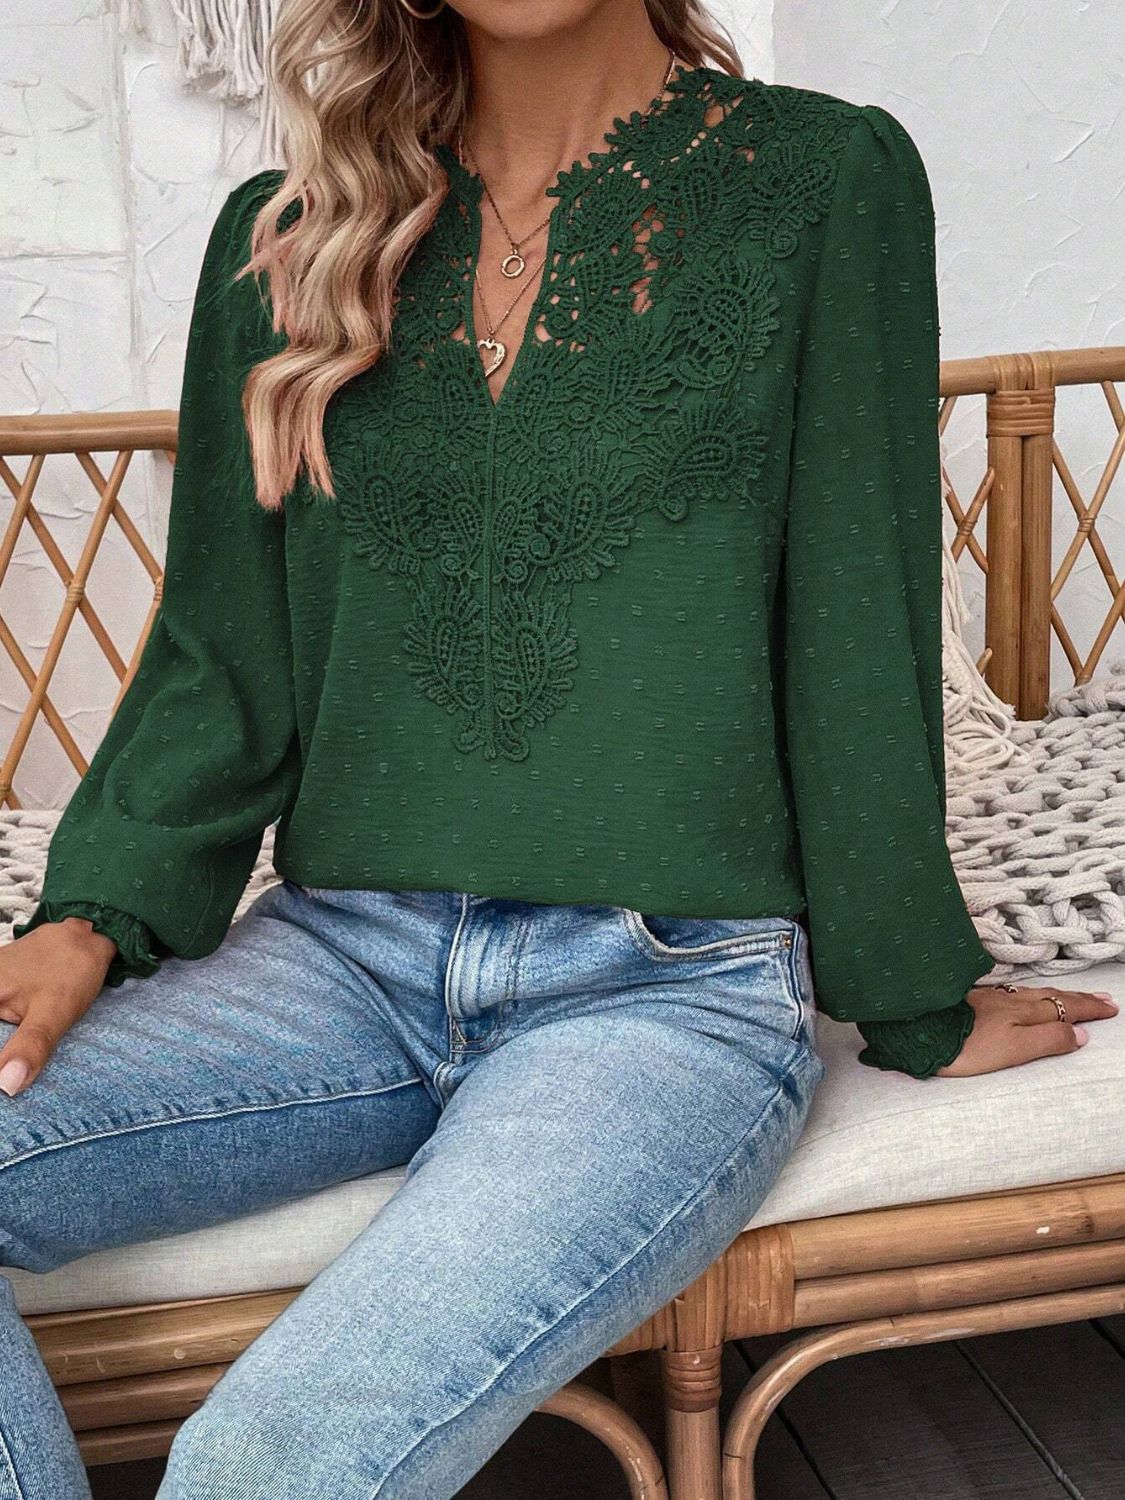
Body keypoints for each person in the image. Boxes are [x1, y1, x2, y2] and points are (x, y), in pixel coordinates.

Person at [1, 1, 1116, 1496]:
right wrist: (90, 919)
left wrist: (911, 992)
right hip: (336, 957)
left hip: (664, 994)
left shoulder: (821, 179)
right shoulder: (290, 235)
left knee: (272, 1459)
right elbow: (222, 656)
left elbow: (857, 609)